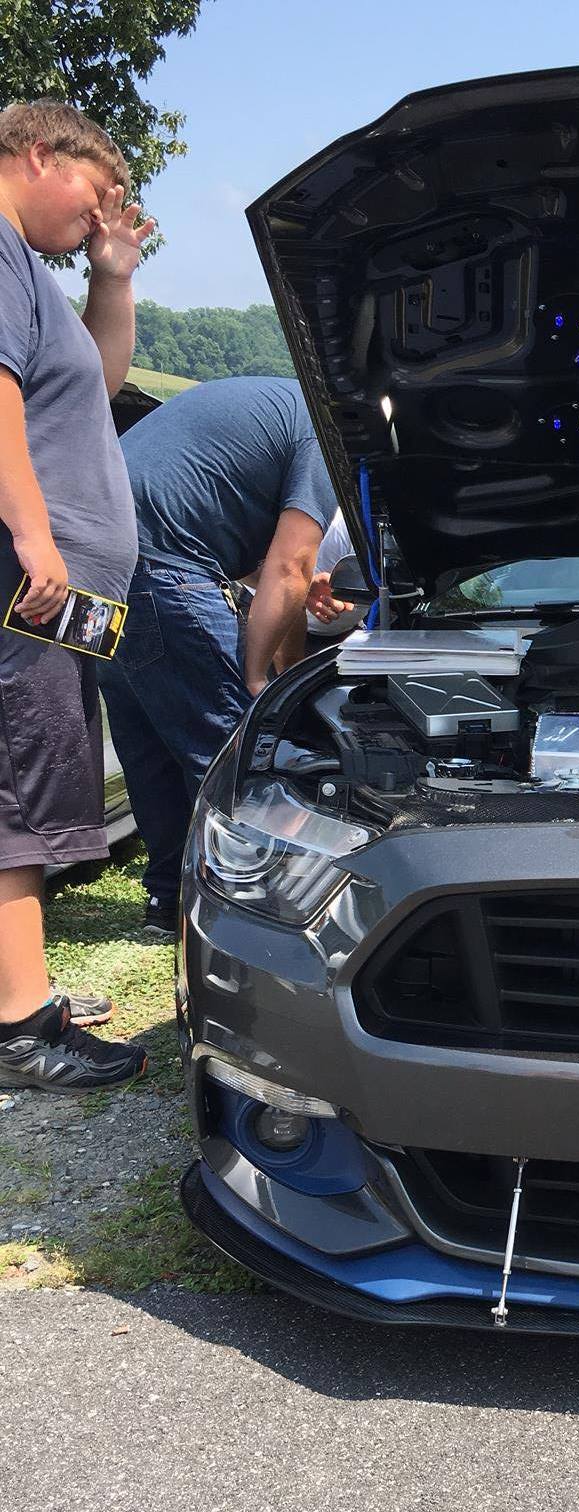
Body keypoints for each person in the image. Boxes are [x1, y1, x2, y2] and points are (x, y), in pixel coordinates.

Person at [0, 100, 154, 1090]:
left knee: (43, 774)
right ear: (41, 154)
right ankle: (20, 1028)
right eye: (98, 194)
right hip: (30, 577)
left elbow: (95, 382)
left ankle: (22, 985)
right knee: (21, 786)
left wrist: (111, 275)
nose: (101, 215)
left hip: (65, 589)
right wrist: (33, 533)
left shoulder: (32, 273)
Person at [100, 376, 350, 936]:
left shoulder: (276, 407)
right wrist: (257, 681)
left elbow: (280, 580)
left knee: (150, 746)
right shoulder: (325, 427)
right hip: (163, 568)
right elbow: (291, 568)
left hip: (95, 568)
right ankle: (255, 906)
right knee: (232, 744)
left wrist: (287, 672)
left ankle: (169, 899)